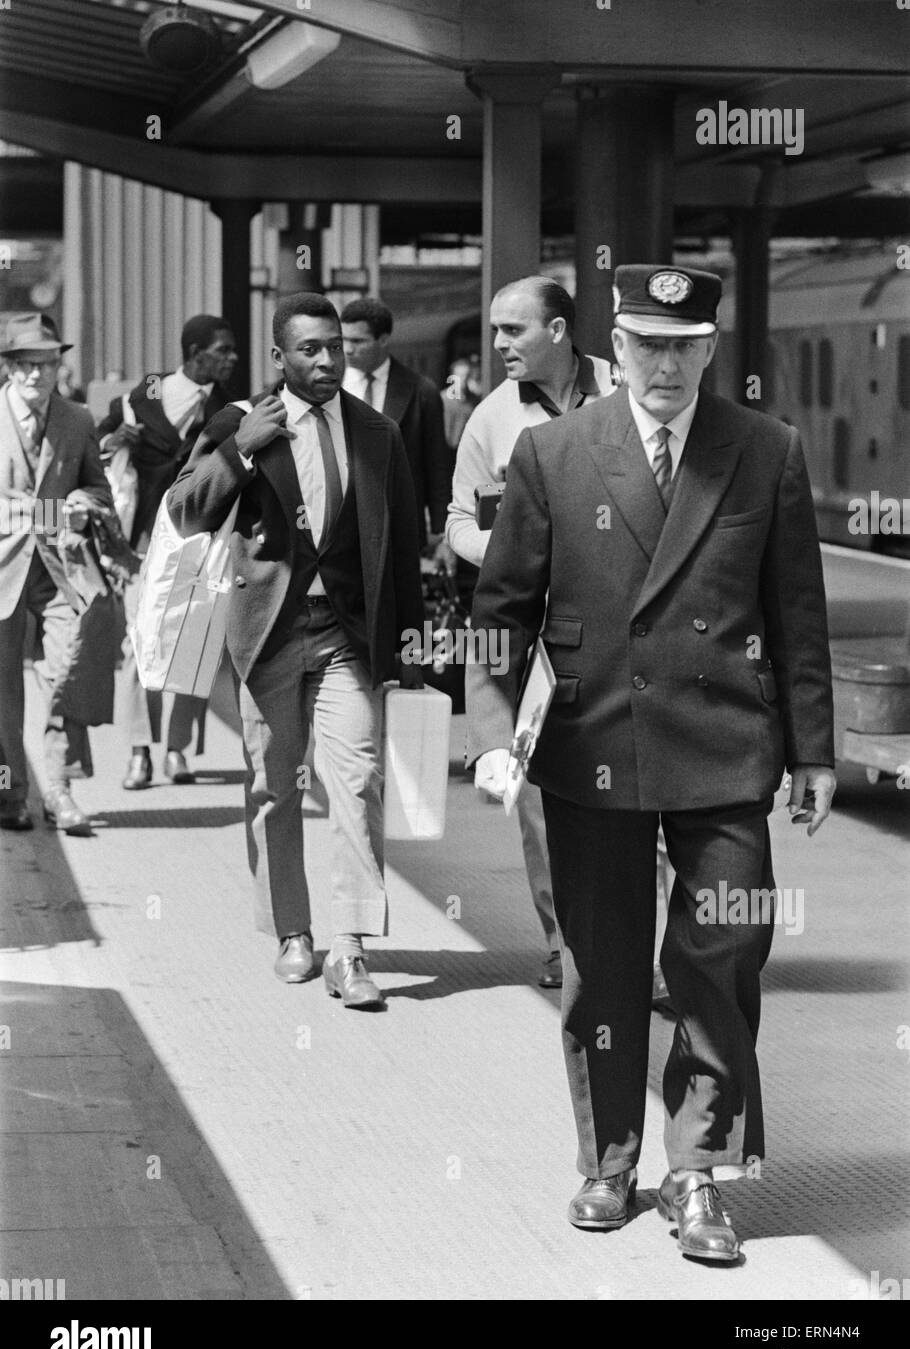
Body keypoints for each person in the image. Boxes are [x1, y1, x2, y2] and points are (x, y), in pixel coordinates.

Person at [468, 264, 836, 1262]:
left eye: (683, 344)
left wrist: (814, 753)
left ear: (710, 349)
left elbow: (797, 613)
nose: (664, 363)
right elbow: (498, 617)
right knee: (603, 969)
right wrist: (500, 736)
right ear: (614, 347)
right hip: (593, 751)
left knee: (723, 959)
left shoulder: (766, 451)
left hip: (727, 757)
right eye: (645, 343)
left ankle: (700, 1169)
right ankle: (609, 1156)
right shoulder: (553, 455)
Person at [168, 292, 425, 1009]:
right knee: (274, 789)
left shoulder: (378, 433)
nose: (327, 361)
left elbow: (401, 547)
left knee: (357, 781)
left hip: (348, 638)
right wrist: (240, 448)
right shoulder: (239, 422)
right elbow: (185, 510)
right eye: (310, 350)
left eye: (336, 347)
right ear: (279, 357)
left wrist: (408, 656)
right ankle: (293, 931)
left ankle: (349, 949)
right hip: (268, 637)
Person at [447, 275, 615, 990]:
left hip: (624, 632)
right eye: (493, 330)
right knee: (544, 807)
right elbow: (457, 522)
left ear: (558, 330)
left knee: (651, 804)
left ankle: (656, 960)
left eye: (512, 330)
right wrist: (514, 549)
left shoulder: (626, 386)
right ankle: (565, 945)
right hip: (543, 642)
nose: (497, 345)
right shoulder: (490, 418)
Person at [97, 315, 237, 789]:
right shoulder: (147, 393)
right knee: (139, 647)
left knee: (195, 643)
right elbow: (95, 447)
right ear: (196, 353)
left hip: (200, 544)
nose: (232, 358)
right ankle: (139, 751)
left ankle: (176, 750)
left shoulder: (229, 408)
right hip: (143, 544)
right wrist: (114, 442)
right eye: (223, 350)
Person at [0, 313, 116, 835]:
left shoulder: (77, 419)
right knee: (3, 687)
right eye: (25, 365)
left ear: (57, 366)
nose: (35, 375)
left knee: (67, 668)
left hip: (57, 568)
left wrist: (79, 503)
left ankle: (59, 791)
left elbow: (99, 491)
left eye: (45, 364)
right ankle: (10, 792)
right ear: (8, 367)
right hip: (1, 565)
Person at [341, 297, 455, 574]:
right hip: (339, 524)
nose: (347, 349)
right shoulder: (327, 387)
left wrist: (442, 535)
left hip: (398, 527)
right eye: (343, 340)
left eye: (358, 341)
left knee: (398, 614)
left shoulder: (421, 391)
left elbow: (436, 467)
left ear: (383, 339)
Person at [441, 354, 482, 454]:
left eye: (466, 375)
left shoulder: (474, 400)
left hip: (466, 451)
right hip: (445, 451)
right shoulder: (442, 399)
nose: (463, 379)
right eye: (460, 376)